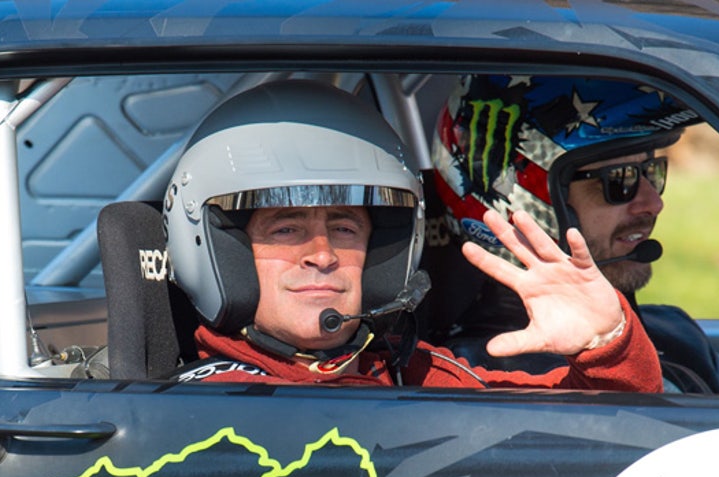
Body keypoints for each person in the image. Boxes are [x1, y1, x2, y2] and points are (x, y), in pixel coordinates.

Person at [161, 79, 661, 391]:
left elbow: (597, 444)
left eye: (344, 227)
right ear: (223, 253)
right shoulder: (200, 412)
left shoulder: (416, 374)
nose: (322, 254)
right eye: (286, 228)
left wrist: (606, 341)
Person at [425, 74, 719, 395]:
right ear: (519, 199)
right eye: (618, 179)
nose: (652, 203)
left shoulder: (673, 330)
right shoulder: (489, 375)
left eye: (651, 170)